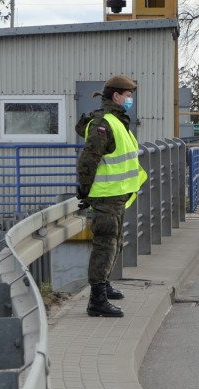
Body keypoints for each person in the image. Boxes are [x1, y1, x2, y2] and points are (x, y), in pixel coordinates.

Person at [75, 75, 148, 318]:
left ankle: (104, 285)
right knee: (105, 244)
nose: (130, 100)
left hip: (116, 195)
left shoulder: (117, 120)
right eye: (128, 96)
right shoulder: (104, 123)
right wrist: (85, 190)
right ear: (116, 96)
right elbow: (89, 158)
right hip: (105, 196)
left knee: (114, 241)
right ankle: (97, 300)